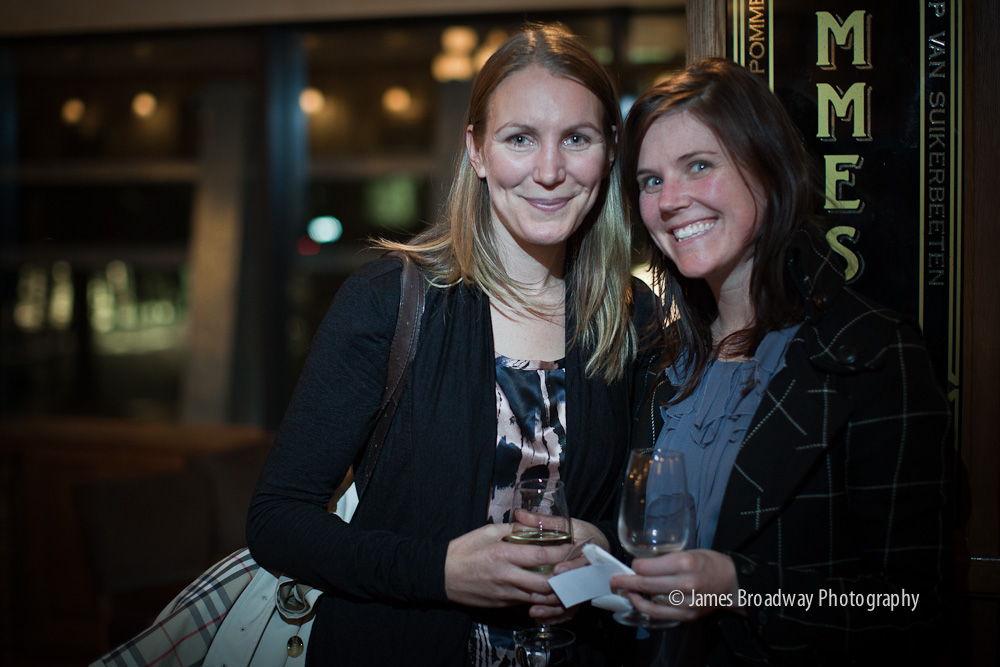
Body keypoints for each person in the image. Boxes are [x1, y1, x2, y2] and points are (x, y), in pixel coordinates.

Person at [246, 24, 656, 667]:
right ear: (477, 151)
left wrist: (600, 546)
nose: (550, 171)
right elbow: (277, 520)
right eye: (520, 138)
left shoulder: (632, 318)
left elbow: (656, 517)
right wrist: (437, 571)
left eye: (576, 139)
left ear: (608, 151)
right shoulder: (389, 299)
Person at [609, 58, 952, 665]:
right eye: (651, 180)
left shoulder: (873, 354)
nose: (670, 201)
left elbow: (910, 603)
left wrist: (743, 589)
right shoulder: (659, 357)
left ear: (769, 170)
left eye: (699, 165)